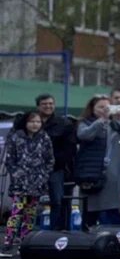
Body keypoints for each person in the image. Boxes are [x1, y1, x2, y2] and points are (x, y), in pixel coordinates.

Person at [74, 95, 120, 226]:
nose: (105, 110)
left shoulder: (116, 124)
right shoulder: (85, 122)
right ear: (92, 109)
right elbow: (84, 135)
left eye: (107, 107)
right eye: (101, 107)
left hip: (118, 176)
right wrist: (102, 119)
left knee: (115, 214)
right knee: (93, 213)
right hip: (95, 175)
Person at [1, 111, 55, 256]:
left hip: (37, 183)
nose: (35, 124)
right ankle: (8, 243)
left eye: (38, 121)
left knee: (30, 215)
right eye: (32, 121)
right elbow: (10, 160)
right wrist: (17, 174)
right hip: (20, 184)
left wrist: (43, 175)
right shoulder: (16, 137)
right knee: (16, 213)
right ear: (25, 122)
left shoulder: (44, 137)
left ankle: (25, 244)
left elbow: (50, 159)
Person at [24, 94, 75, 230]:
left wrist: (51, 163)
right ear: (38, 106)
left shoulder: (64, 123)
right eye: (44, 104)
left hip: (55, 169)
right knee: (29, 202)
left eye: (51, 103)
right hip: (31, 170)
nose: (48, 106)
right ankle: (27, 232)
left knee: (57, 201)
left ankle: (55, 232)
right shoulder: (29, 122)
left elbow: (69, 149)